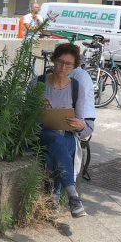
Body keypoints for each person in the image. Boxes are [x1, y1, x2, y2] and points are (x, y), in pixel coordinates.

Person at [39, 43, 95, 217]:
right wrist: (36, 109)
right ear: (53, 60)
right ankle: (73, 196)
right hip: (43, 134)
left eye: (68, 64)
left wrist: (81, 125)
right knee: (55, 140)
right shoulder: (39, 83)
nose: (63, 67)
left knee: (59, 144)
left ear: (74, 66)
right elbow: (25, 115)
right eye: (60, 62)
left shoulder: (77, 87)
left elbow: (83, 126)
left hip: (67, 136)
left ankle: (55, 198)